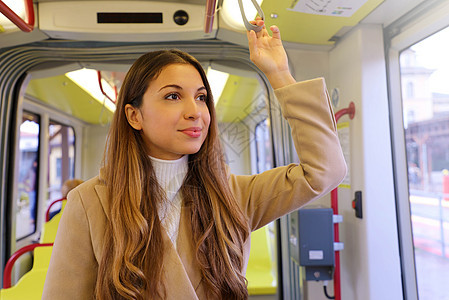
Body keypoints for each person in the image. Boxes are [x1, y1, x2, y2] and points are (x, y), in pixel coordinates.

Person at [42, 17, 346, 300]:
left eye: (201, 97)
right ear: (134, 115)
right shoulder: (90, 203)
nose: (196, 111)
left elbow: (324, 171)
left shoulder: (233, 195)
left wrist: (280, 74)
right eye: (173, 96)